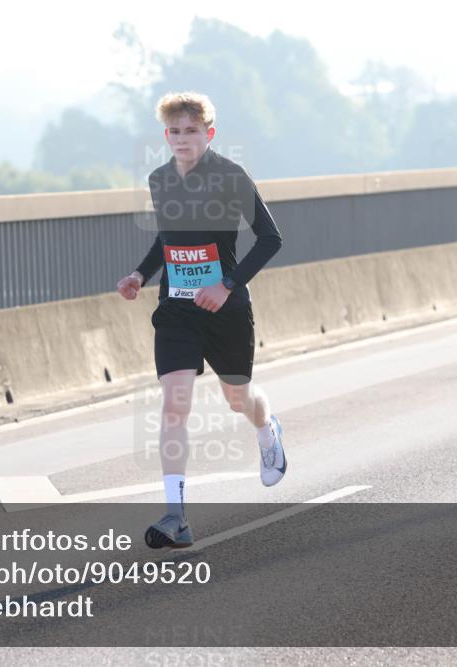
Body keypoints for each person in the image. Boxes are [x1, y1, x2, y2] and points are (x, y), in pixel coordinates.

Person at [116, 91, 286, 549]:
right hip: (176, 310)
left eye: (191, 131)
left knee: (238, 399)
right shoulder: (159, 180)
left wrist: (226, 285)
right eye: (174, 132)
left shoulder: (231, 177)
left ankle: (266, 428)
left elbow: (271, 239)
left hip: (225, 310)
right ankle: (177, 516)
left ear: (208, 133)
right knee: (175, 404)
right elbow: (166, 240)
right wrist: (139, 273)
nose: (182, 139)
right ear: (165, 136)